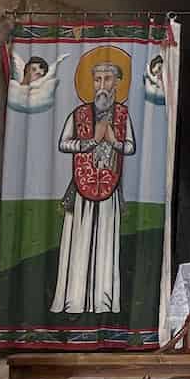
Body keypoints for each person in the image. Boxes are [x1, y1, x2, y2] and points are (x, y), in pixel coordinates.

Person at [52, 57, 136, 314]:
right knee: (78, 241)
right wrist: (88, 142)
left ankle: (103, 302)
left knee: (106, 243)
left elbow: (130, 147)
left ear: (117, 83)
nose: (102, 85)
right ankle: (74, 301)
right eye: (97, 79)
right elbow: (64, 143)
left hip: (109, 188)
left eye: (107, 79)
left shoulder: (122, 115)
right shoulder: (78, 115)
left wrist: (113, 141)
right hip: (82, 187)